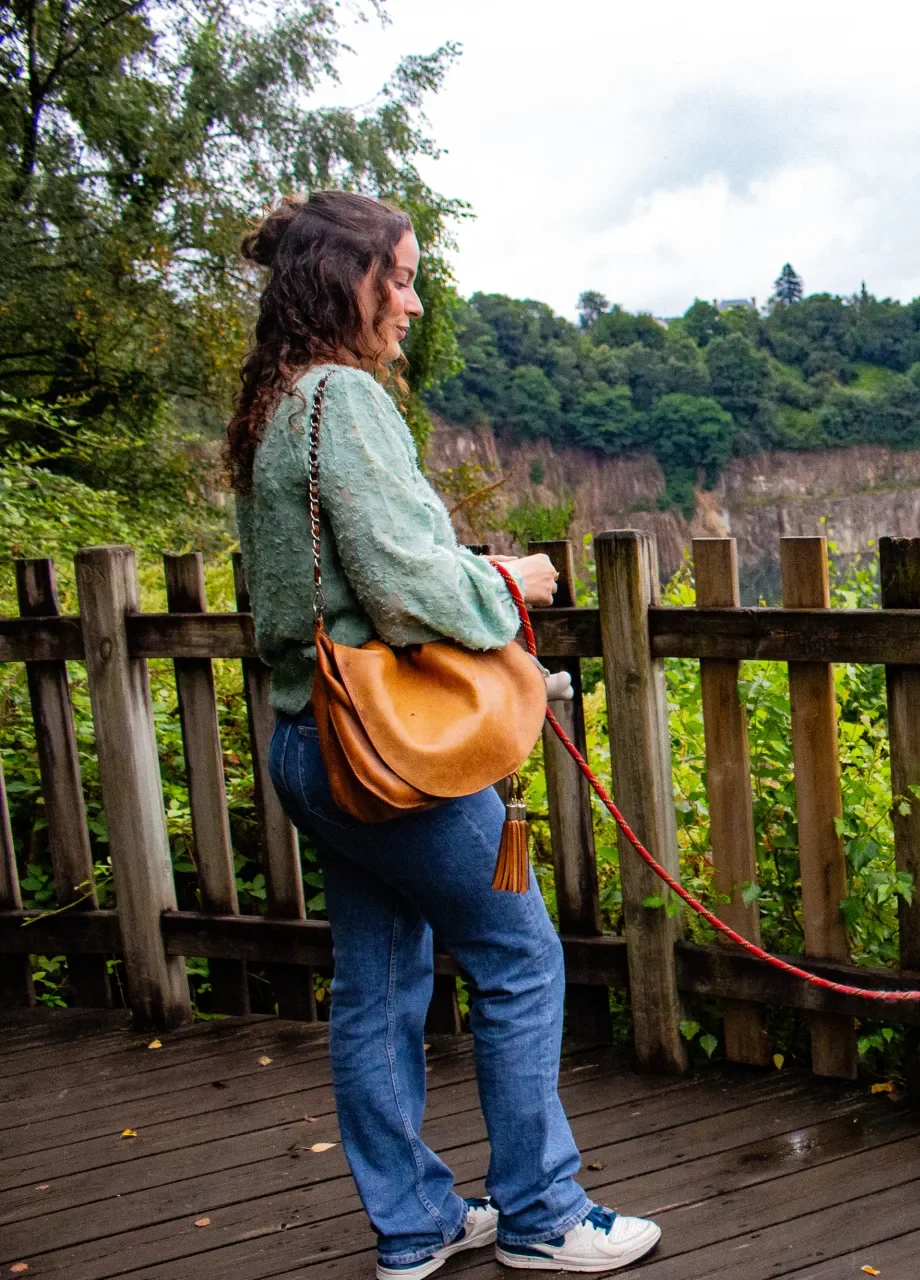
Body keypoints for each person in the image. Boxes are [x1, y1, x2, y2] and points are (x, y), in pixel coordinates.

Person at [226, 190, 661, 1278]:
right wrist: (506, 577)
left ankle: (417, 1219)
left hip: (306, 739)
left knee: (378, 972)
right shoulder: (343, 399)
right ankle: (542, 1210)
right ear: (345, 281)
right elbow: (406, 584)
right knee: (519, 953)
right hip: (384, 751)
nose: (414, 303)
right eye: (403, 278)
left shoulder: (278, 403)